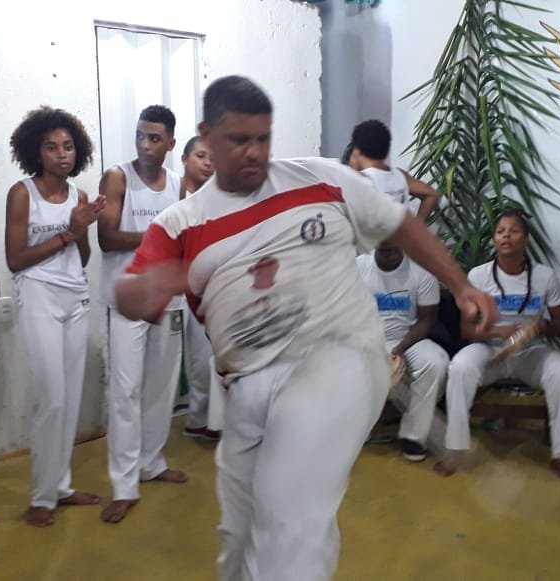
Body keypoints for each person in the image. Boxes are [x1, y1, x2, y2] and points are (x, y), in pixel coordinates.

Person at [115, 75, 496, 581]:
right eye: (239, 139)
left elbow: (399, 223)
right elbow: (130, 295)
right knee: (241, 533)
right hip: (248, 385)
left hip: (339, 358)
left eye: (263, 138)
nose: (255, 152)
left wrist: (461, 286)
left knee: (289, 513)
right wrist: (149, 287)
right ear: (207, 136)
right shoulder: (179, 223)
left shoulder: (321, 179)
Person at [5, 106, 106, 527]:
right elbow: (15, 260)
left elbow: (81, 257)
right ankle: (41, 497)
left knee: (69, 400)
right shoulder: (22, 193)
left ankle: (60, 486)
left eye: (67, 146)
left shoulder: (79, 196)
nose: (61, 154)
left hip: (74, 296)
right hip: (38, 296)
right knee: (52, 399)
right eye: (51, 147)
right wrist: (69, 231)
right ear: (37, 151)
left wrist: (81, 230)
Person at [436, 209, 560, 486]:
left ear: (525, 239)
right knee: (460, 367)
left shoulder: (544, 277)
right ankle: (456, 450)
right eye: (500, 231)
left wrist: (542, 326)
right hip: (488, 348)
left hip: (530, 351)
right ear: (495, 238)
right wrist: (498, 332)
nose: (506, 236)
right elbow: (467, 331)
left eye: (513, 231)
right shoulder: (479, 276)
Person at [97, 105, 187, 524]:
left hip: (167, 299)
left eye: (154, 138)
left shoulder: (179, 184)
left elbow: (186, 240)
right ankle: (124, 484)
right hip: (128, 300)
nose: (145, 145)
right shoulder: (118, 177)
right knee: (126, 390)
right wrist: (159, 237)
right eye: (140, 136)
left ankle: (151, 461)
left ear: (170, 143)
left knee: (161, 387)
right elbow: (107, 237)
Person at [357, 240, 448, 462]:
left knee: (436, 362)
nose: (388, 252)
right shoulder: (358, 267)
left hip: (407, 339)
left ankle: (414, 436)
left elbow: (427, 320)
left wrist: (400, 349)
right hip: (365, 340)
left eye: (394, 246)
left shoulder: (422, 271)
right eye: (384, 248)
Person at [178, 136, 219, 441]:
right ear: (184, 159)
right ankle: (196, 417)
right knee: (188, 359)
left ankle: (204, 418)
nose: (208, 163)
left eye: (212, 158)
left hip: (209, 286)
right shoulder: (174, 195)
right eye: (201, 156)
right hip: (175, 285)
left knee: (207, 355)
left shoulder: (218, 199)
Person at [346, 119, 441, 221]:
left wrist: (352, 171)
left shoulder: (358, 180)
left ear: (358, 151)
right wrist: (418, 225)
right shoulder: (400, 175)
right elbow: (431, 195)